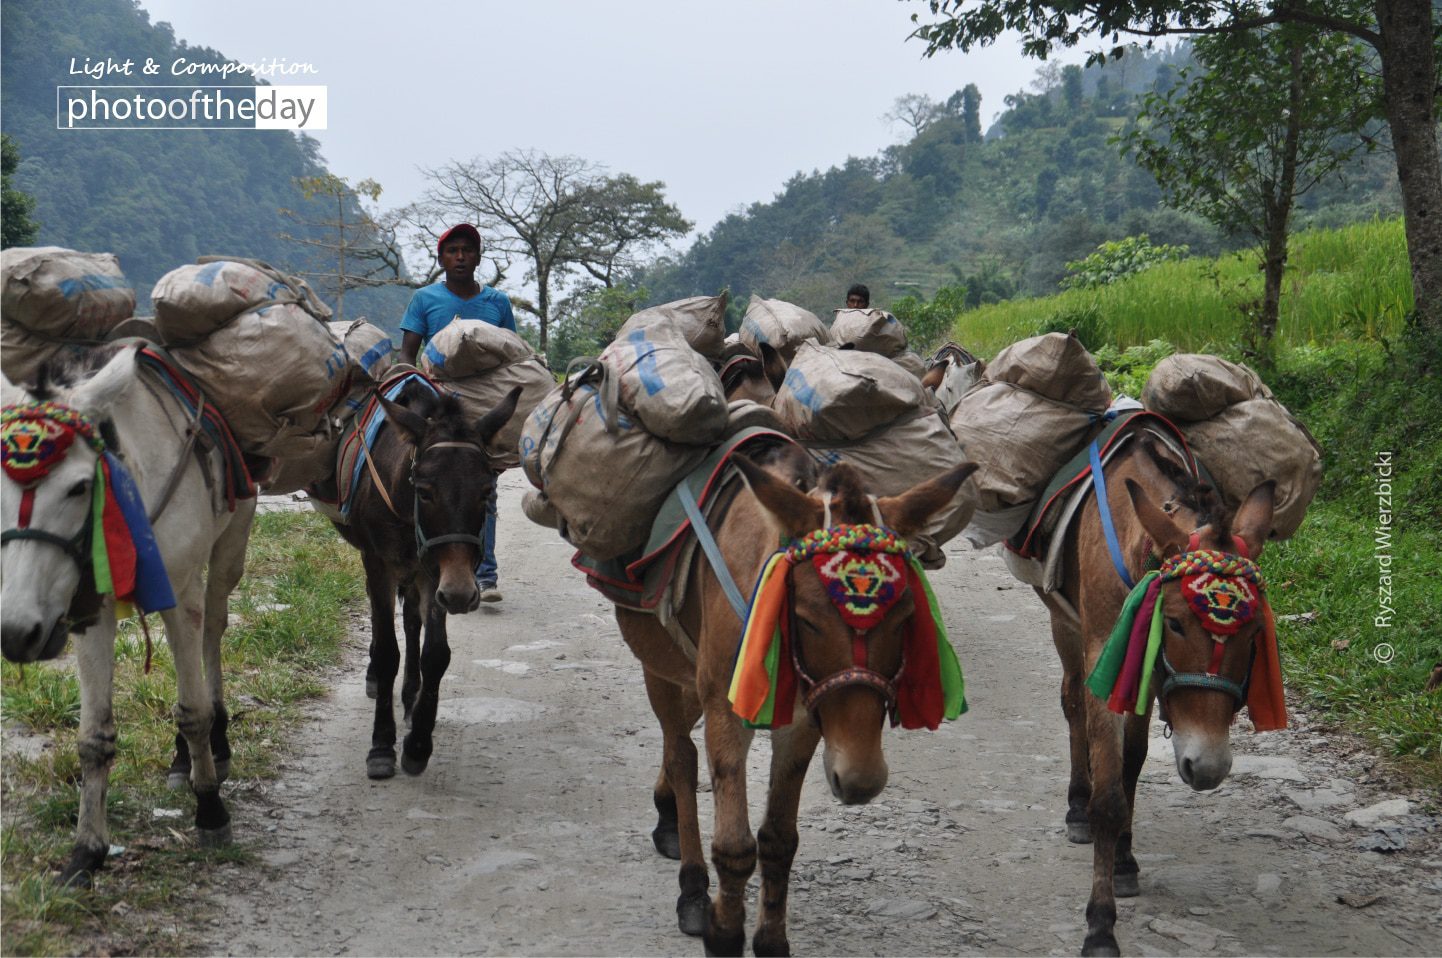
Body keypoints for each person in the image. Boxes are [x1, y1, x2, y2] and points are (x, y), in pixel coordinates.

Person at [398, 223, 516, 603]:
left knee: (484, 492)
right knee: (429, 489)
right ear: (441, 259)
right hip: (439, 412)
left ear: (479, 258)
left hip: (480, 413)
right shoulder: (424, 299)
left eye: (467, 250)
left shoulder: (497, 302)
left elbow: (512, 353)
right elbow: (407, 355)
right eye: (453, 251)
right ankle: (424, 562)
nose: (460, 257)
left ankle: (486, 574)